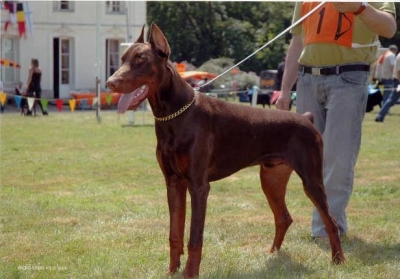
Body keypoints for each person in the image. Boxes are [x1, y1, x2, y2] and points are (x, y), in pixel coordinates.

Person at [276, 2, 396, 240]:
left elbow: (389, 28)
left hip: (349, 78)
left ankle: (326, 229)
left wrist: (359, 7)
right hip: (307, 80)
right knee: (309, 158)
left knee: (339, 156)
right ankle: (328, 222)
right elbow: (298, 42)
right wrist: (285, 89)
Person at [375, 48, 400, 122]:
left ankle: (380, 116)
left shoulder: (385, 54)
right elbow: (398, 71)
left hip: (387, 78)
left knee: (390, 98)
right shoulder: (392, 56)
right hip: (396, 80)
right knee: (391, 99)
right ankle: (380, 116)